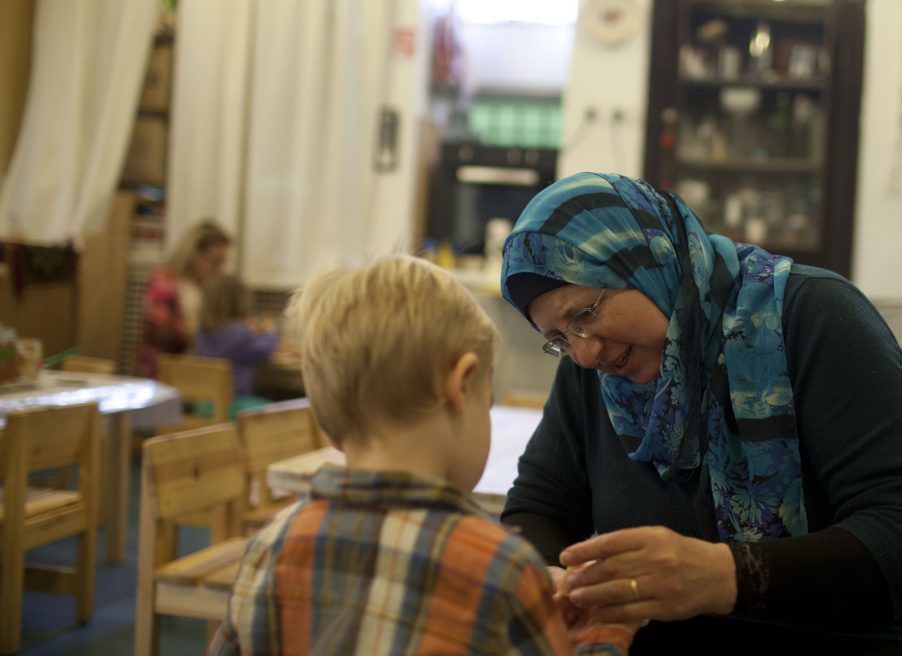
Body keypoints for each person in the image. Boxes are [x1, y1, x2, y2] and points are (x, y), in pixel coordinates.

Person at [498, 172, 902, 654]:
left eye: (586, 313)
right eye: (558, 337)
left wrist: (723, 576)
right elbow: (539, 507)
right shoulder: (594, 373)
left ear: (648, 263)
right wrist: (547, 578)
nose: (584, 351)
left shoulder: (814, 318)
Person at [208, 255, 640, 655]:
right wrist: (606, 629)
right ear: (462, 386)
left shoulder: (269, 547)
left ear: (331, 427)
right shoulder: (501, 572)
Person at [139, 220, 230, 378]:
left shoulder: (205, 287)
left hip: (195, 369)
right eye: (215, 262)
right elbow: (158, 326)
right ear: (194, 255)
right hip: (164, 370)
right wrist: (197, 334)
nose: (218, 269)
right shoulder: (164, 280)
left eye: (221, 263)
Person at [195, 274, 280, 418]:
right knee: (279, 412)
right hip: (233, 405)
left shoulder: (204, 332)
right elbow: (264, 350)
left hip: (203, 405)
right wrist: (271, 331)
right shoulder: (240, 332)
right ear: (239, 302)